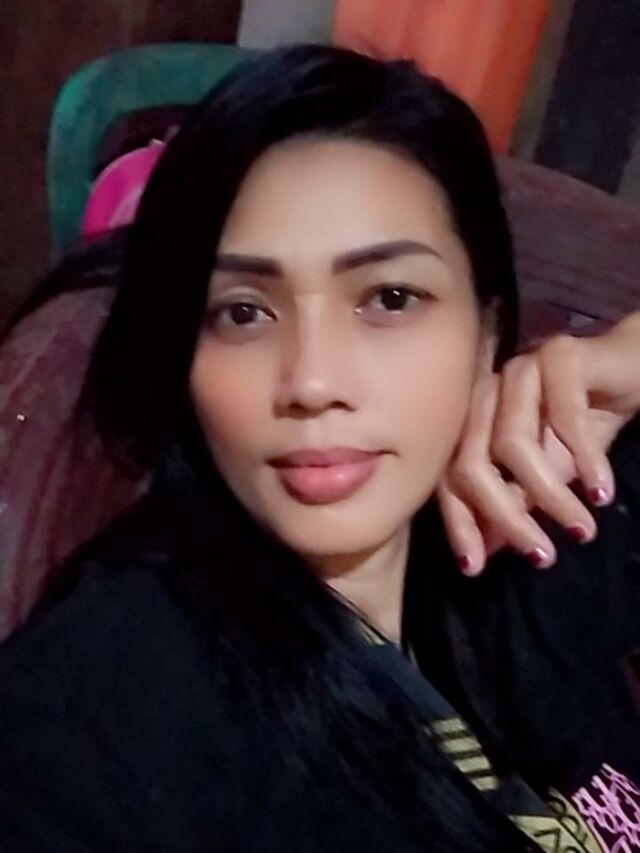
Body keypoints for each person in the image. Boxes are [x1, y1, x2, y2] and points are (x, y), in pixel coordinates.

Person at [0, 45, 638, 852]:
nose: (311, 381)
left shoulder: (536, 516)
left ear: (487, 333)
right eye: (242, 312)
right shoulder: (100, 707)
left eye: (389, 298)